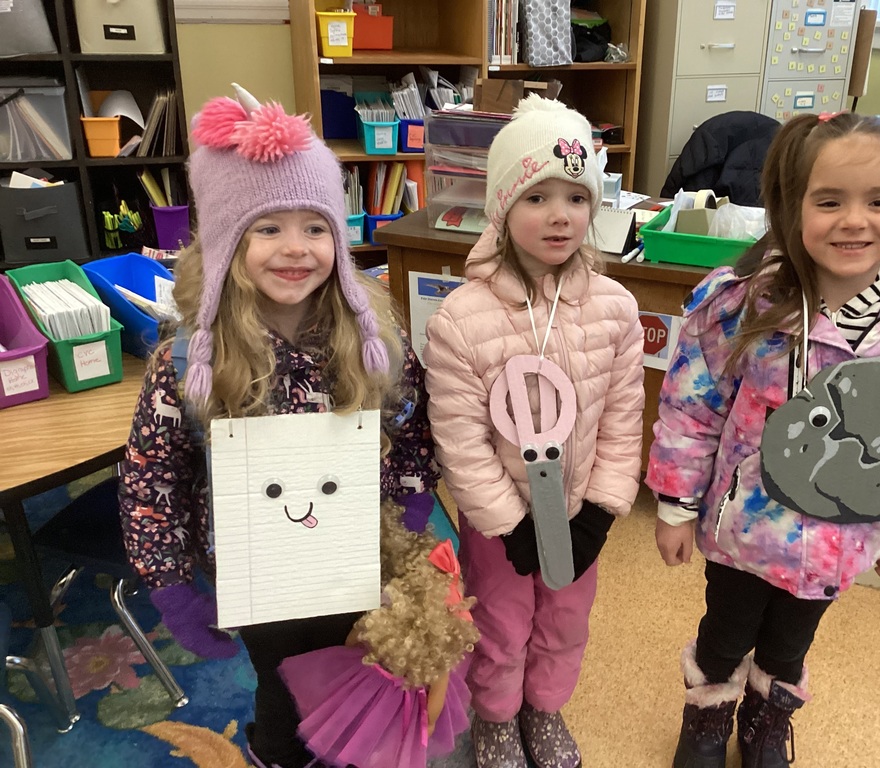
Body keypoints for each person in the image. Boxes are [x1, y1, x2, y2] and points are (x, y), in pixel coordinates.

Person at [117, 84, 438, 768]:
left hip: (359, 559)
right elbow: (152, 477)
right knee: (283, 690)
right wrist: (171, 582)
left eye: (315, 226)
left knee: (358, 675)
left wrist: (411, 510)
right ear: (231, 240)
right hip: (258, 576)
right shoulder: (187, 360)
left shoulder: (375, 337)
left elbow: (411, 427)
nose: (296, 249)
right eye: (268, 228)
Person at [647, 112, 880, 768]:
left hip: (839, 538)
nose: (854, 220)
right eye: (829, 201)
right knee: (725, 634)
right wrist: (675, 505)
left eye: (878, 201)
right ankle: (708, 718)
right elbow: (691, 407)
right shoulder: (739, 303)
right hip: (743, 532)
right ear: (789, 205)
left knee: (790, 646)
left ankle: (769, 720)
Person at [423, 94, 645, 768]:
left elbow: (623, 421)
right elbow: (458, 439)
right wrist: (508, 523)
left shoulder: (617, 308)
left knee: (565, 621)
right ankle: (495, 718)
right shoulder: (459, 318)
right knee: (500, 624)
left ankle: (544, 708)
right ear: (501, 207)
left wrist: (603, 512)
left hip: (578, 507)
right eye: (537, 197)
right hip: (501, 523)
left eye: (576, 198)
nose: (559, 215)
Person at [278, 498, 479, 768]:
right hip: (407, 702)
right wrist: (425, 728)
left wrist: (348, 659)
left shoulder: (383, 607)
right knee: (384, 744)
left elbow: (354, 636)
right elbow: (433, 707)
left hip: (365, 682)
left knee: (351, 727)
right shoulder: (437, 651)